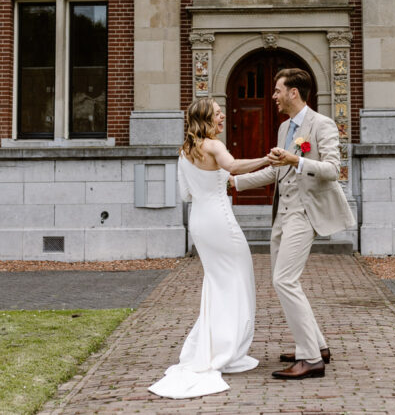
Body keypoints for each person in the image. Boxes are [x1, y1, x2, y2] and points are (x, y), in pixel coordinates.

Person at [230, 68, 356, 380]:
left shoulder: (322, 124)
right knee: (283, 279)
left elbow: (333, 169)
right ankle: (318, 346)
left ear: (293, 93)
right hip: (282, 215)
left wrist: (297, 160)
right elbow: (276, 172)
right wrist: (233, 183)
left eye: (277, 90)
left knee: (285, 280)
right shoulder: (285, 127)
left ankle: (311, 359)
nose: (273, 96)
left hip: (305, 213)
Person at [149, 97, 271, 399]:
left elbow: (187, 193)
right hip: (220, 220)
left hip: (200, 222)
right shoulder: (214, 146)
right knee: (239, 278)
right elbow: (233, 167)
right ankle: (227, 347)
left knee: (217, 283)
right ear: (205, 119)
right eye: (218, 114)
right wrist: (268, 159)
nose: (222, 118)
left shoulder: (185, 151)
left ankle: (217, 344)